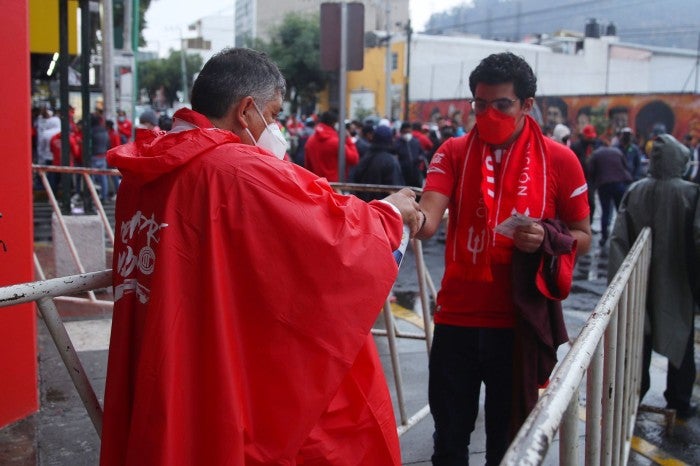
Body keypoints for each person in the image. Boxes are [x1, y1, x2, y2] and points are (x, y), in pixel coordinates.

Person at [100, 47, 423, 466]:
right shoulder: (233, 169)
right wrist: (392, 212)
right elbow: (334, 238)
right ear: (246, 110)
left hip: (164, 354)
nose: (275, 128)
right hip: (213, 371)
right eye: (272, 114)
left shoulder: (143, 172)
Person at [416, 52, 591, 465]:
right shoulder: (454, 150)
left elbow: (582, 236)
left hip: (517, 324)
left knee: (508, 445)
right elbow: (428, 220)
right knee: (449, 442)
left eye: (501, 105)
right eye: (479, 104)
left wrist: (548, 237)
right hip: (456, 318)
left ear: (527, 105)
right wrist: (398, 214)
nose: (487, 113)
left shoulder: (560, 159)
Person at [608, 134, 700, 420]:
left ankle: (631, 400)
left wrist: (618, 284)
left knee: (638, 341)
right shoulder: (691, 193)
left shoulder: (635, 190)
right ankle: (679, 400)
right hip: (678, 280)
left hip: (639, 281)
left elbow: (618, 240)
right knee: (680, 338)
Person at [587, 142, 632, 246]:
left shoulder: (596, 154)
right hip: (619, 183)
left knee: (605, 211)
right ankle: (624, 236)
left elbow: (590, 171)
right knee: (621, 211)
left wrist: (593, 185)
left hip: (604, 185)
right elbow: (625, 167)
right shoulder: (617, 151)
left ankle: (604, 237)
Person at [351, 124, 405, 201]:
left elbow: (356, 178)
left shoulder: (366, 156)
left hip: (364, 205)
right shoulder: (390, 160)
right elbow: (396, 188)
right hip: (382, 207)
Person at [304, 110, 359, 181]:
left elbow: (307, 167)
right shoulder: (336, 142)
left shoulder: (310, 141)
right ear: (334, 124)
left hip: (316, 186)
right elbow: (354, 159)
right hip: (334, 187)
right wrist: (348, 139)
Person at [571, 124, 603, 224]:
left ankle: (589, 224)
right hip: (578, 179)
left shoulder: (594, 146)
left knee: (591, 203)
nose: (591, 139)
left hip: (590, 179)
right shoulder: (576, 146)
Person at [395, 121, 426, 187]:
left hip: (415, 173)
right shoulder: (397, 143)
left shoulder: (415, 142)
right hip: (402, 174)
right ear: (401, 132)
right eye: (405, 132)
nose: (407, 134)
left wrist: (420, 158)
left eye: (408, 132)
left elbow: (422, 153)